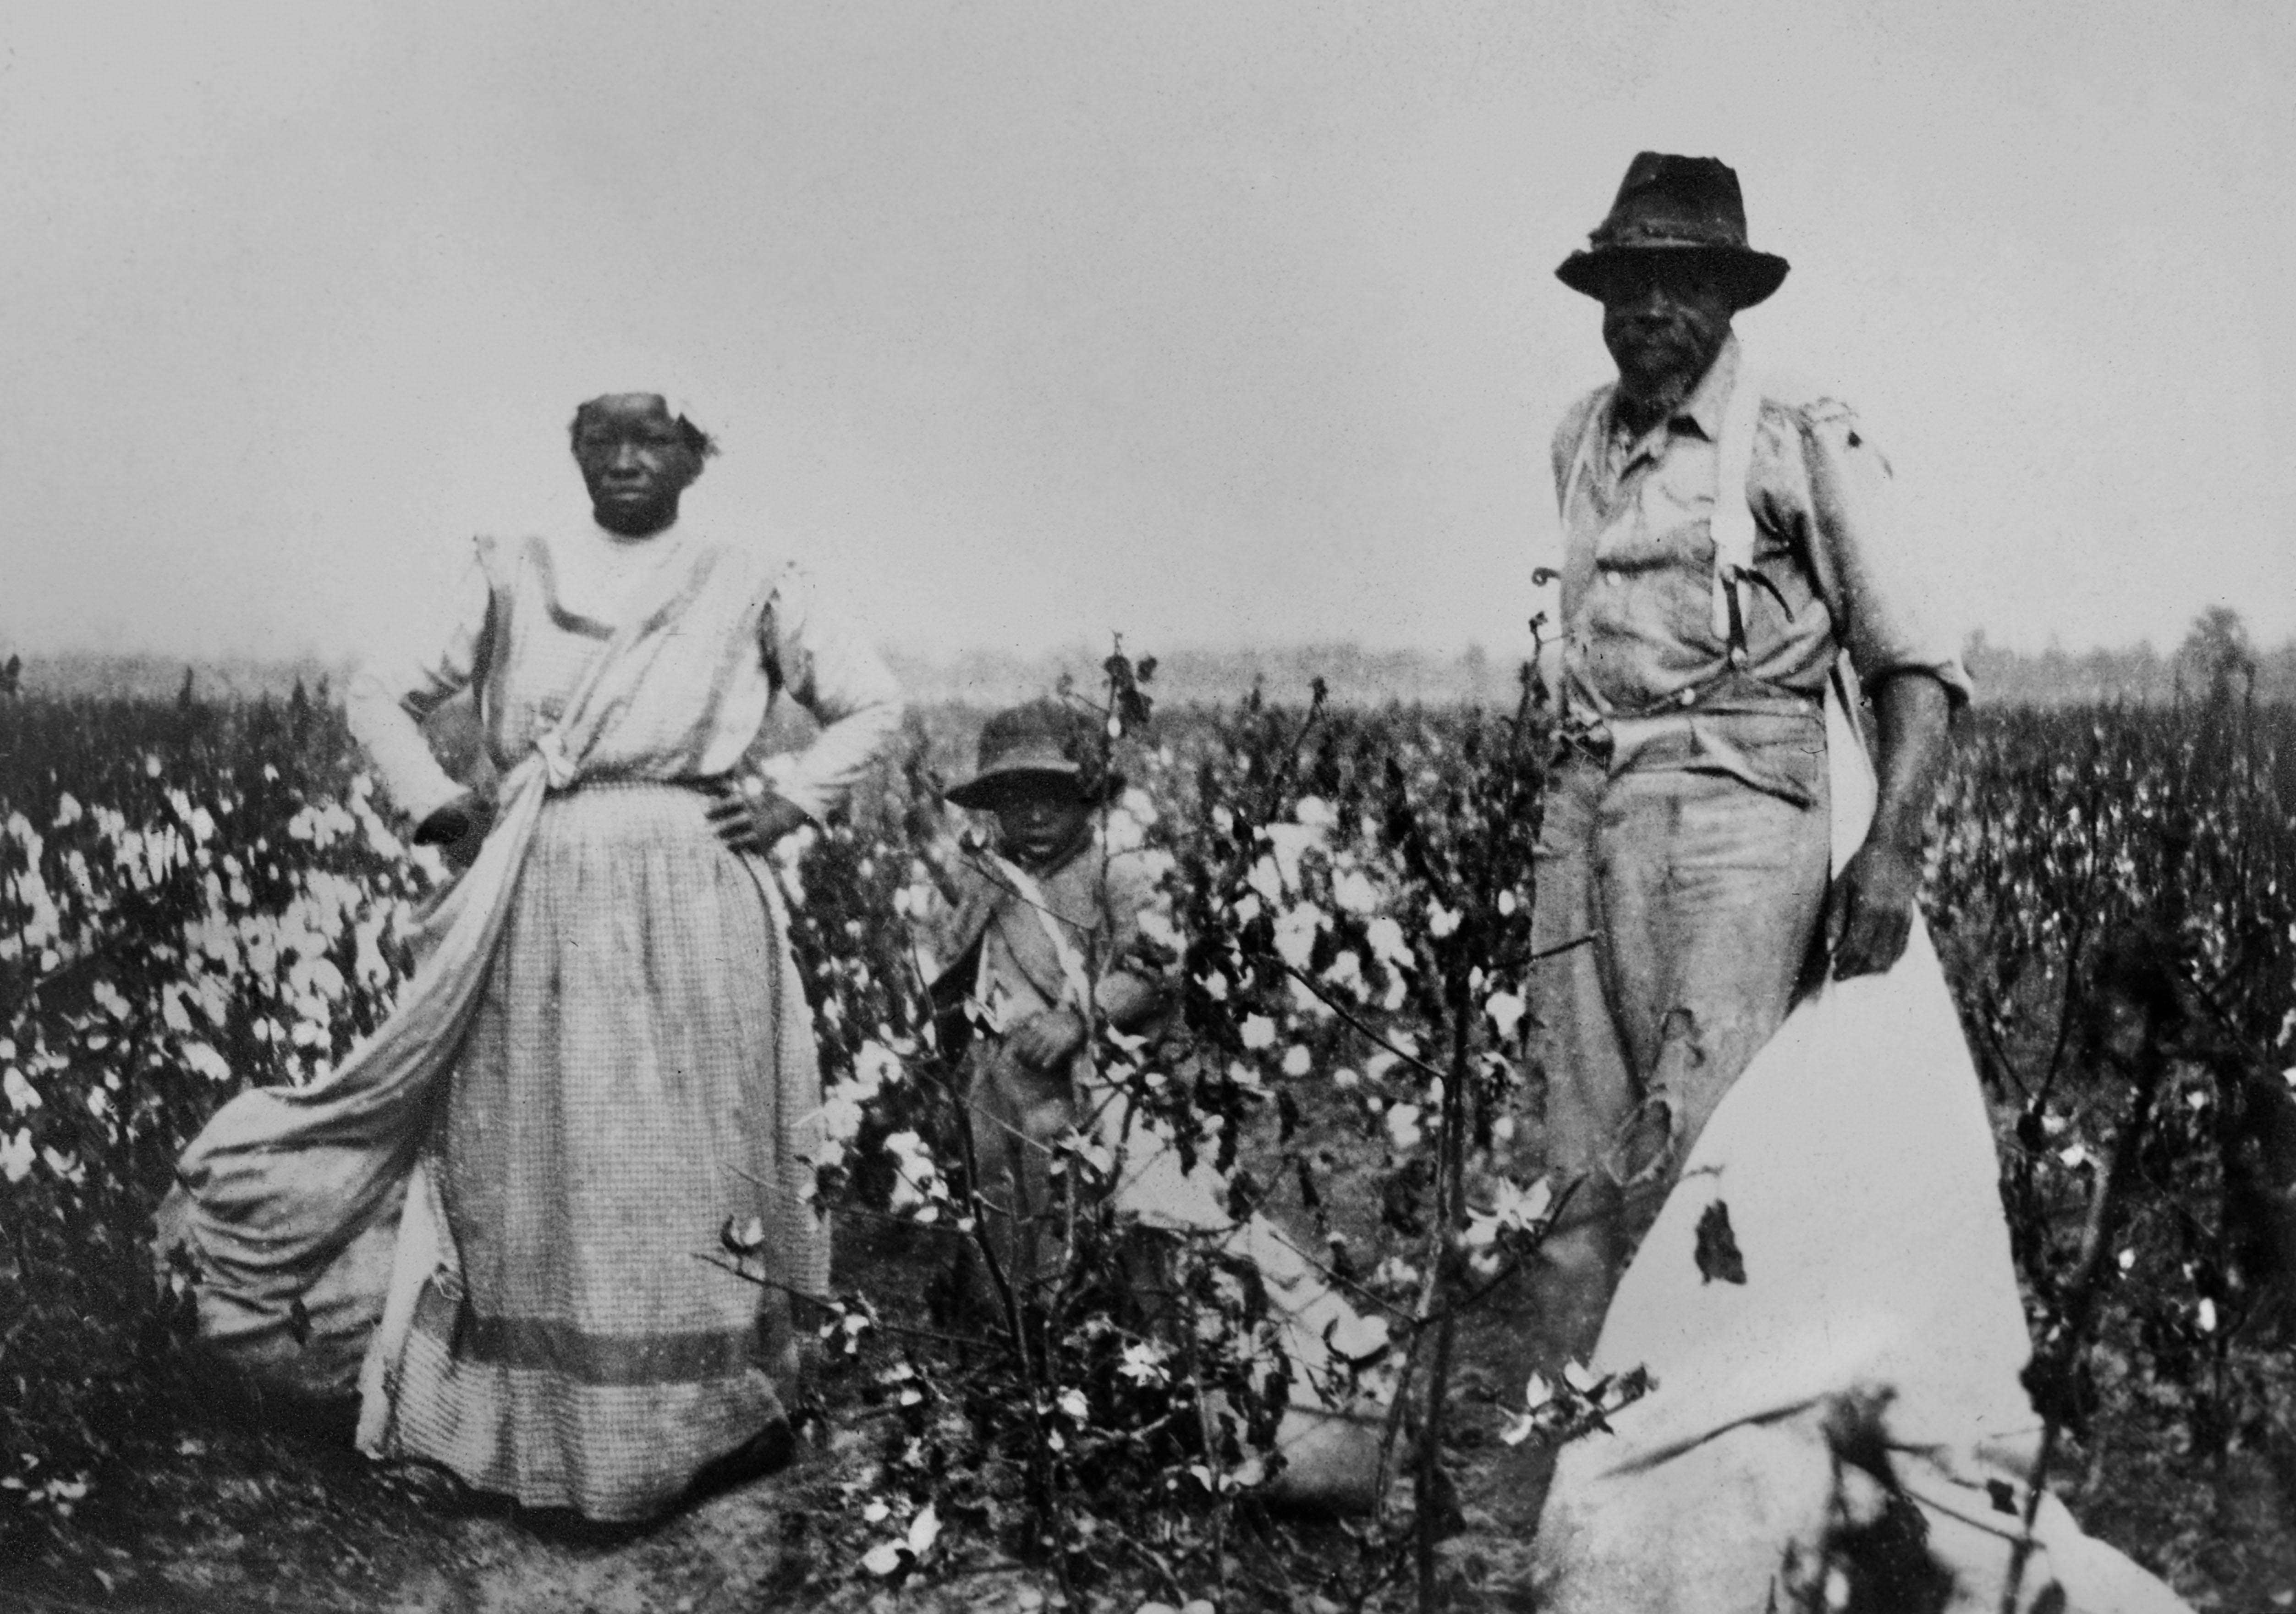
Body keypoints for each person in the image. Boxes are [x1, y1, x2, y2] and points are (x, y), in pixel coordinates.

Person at [1517, 154, 2192, 1614]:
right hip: (1590, 821)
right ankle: (1599, 1482)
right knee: (1575, 1165)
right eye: (1626, 286)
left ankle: (1723, 1497)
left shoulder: (1798, 440)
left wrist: (1889, 850)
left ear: (1727, 298)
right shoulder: (1579, 438)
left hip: (1746, 820)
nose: (1648, 315)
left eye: (1678, 286)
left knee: (1711, 1164)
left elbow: (1916, 669)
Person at [163, 392, 903, 1525]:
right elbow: (382, 693)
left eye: (652, 438)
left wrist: (792, 799)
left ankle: (704, 1424)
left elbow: (871, 705)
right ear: (574, 455)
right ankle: (527, 1438)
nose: (623, 459)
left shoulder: (751, 579)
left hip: (693, 884)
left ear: (695, 459)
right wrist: (437, 807)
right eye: (599, 438)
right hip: (539, 879)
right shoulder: (510, 571)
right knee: (534, 1142)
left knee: (685, 1148)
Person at [926, 700, 1172, 1297]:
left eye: (1054, 795)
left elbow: (1158, 966)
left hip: (1082, 1079)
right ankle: (1016, 1331)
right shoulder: (985, 877)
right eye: (1016, 797)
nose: (1035, 813)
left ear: (1086, 797)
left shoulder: (1115, 870)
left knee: (1092, 1210)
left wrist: (1080, 1017)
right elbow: (957, 970)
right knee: (1000, 1206)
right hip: (997, 1079)